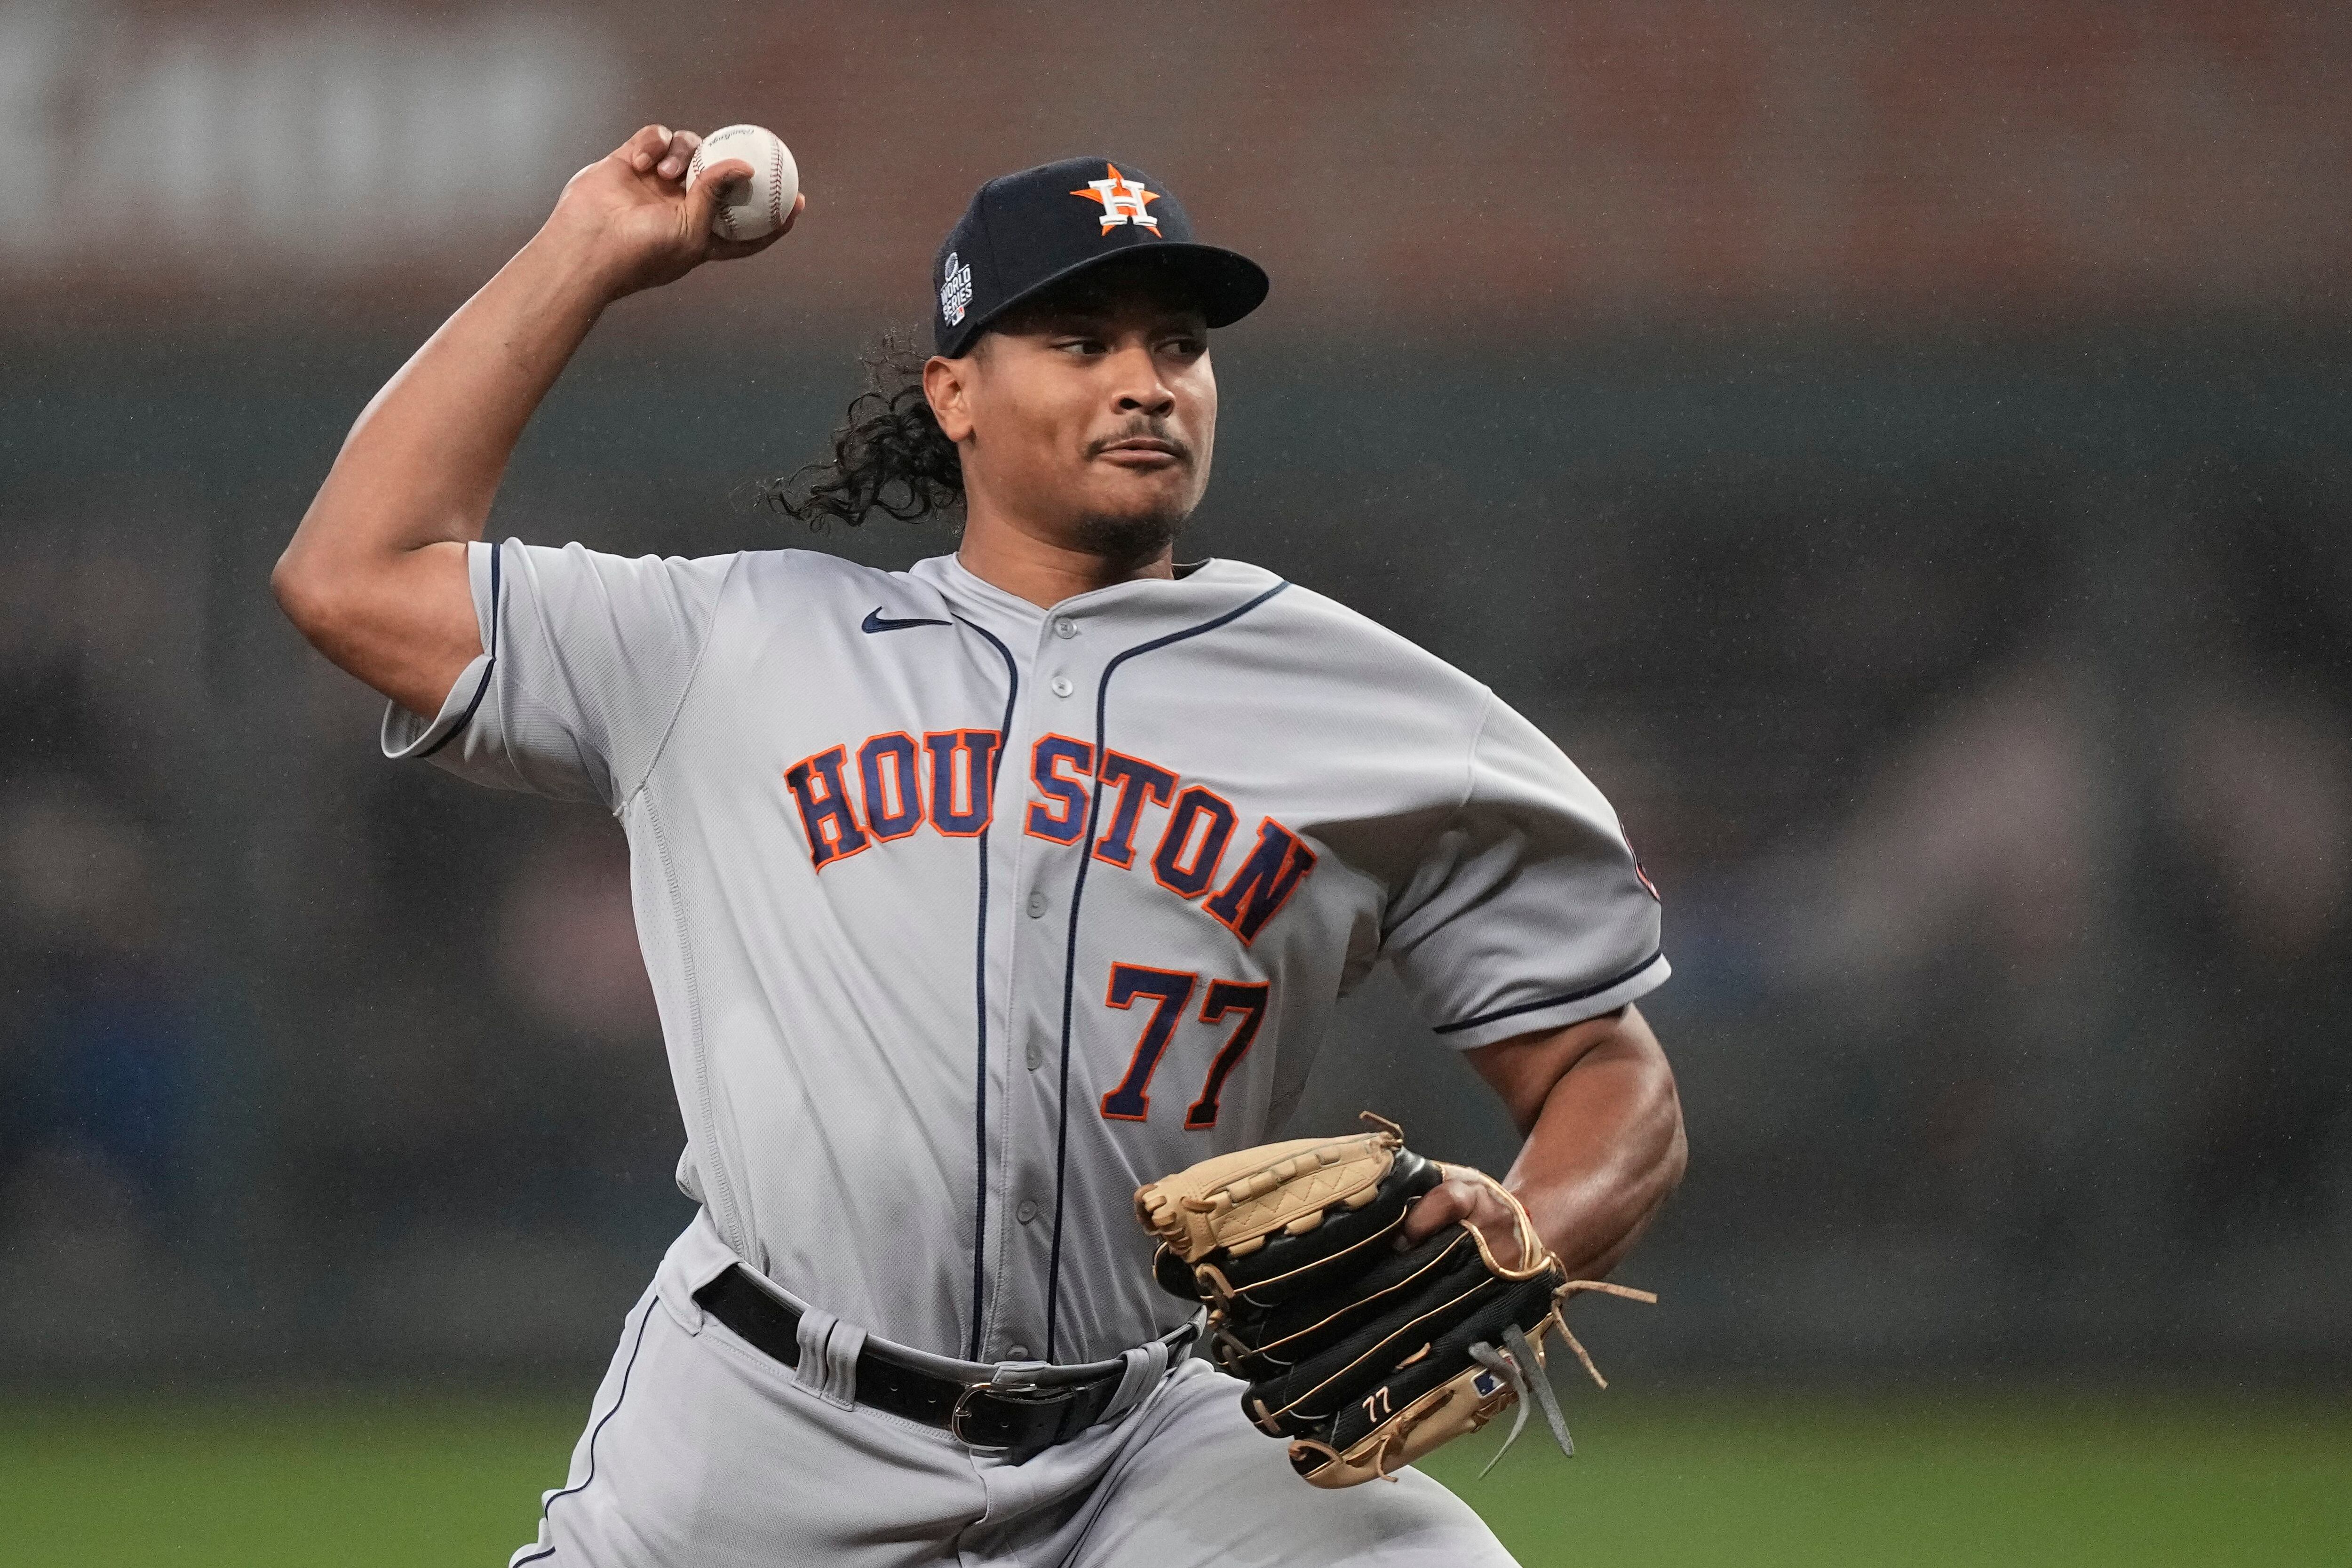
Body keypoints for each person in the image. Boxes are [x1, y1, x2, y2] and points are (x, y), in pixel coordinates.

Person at [272, 125, 1686, 1567]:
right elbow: (351, 573)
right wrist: (583, 252)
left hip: (1151, 1439)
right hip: (768, 1426)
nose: (1146, 381)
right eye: (1080, 341)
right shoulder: (733, 644)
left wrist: (1529, 1233)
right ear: (954, 393)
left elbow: (1609, 1075)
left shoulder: (1378, 712)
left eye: (1181, 345)